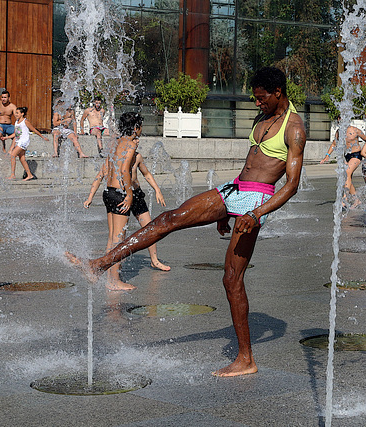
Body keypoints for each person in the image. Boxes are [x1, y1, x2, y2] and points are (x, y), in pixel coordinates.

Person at [66, 66, 306, 377]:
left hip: (256, 201)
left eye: (262, 98)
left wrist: (254, 213)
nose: (257, 103)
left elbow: (291, 184)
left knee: (232, 279)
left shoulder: (294, 127)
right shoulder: (264, 116)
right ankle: (100, 264)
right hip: (234, 189)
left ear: (278, 93)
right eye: (255, 98)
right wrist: (228, 210)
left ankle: (246, 359)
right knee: (169, 217)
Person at [83, 114, 170, 290]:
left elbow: (109, 171)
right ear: (136, 127)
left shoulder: (115, 143)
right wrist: (129, 194)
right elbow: (124, 171)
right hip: (121, 193)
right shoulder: (129, 144)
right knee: (118, 239)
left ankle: (102, 271)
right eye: (141, 126)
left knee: (113, 237)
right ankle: (113, 280)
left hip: (111, 193)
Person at [320, 125, 366, 205]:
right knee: (346, 177)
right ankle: (356, 199)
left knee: (347, 172)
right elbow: (334, 144)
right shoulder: (339, 132)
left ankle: (345, 197)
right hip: (346, 156)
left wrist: (364, 151)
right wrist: (327, 156)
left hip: (356, 155)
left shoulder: (355, 130)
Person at [5, 107, 49, 181]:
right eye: (15, 113)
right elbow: (16, 134)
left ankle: (12, 175)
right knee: (22, 159)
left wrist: (42, 137)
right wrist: (6, 138)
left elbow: (33, 129)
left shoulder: (25, 121)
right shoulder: (17, 122)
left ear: (22, 114)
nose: (16, 114)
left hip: (24, 141)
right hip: (19, 141)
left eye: (17, 113)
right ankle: (29, 175)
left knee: (12, 155)